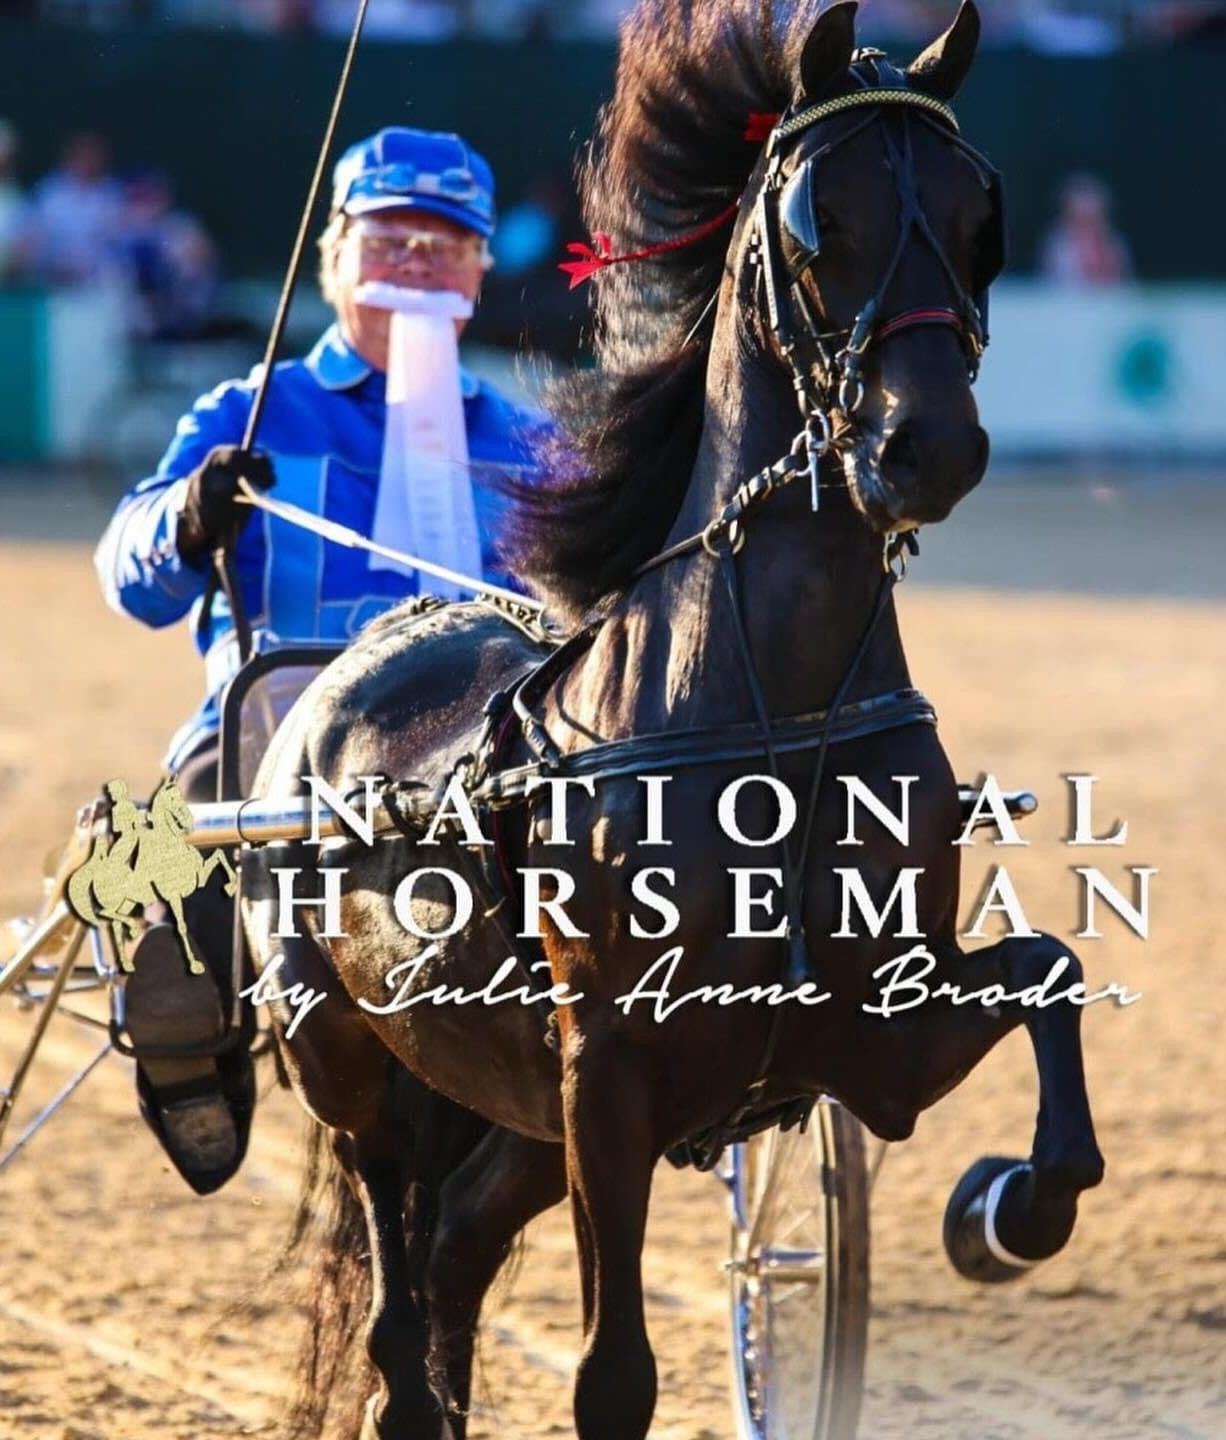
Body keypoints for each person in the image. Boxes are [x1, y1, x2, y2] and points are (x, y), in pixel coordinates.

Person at [94, 126, 549, 1194]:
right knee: (195, 806)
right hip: (272, 737)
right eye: (389, 238)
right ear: (331, 256)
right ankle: (192, 1030)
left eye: (446, 245)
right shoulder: (251, 412)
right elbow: (131, 581)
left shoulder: (532, 445)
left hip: (482, 751)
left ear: (481, 271)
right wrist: (185, 518)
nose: (417, 262)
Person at [1039, 173, 1134, 286]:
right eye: (1080, 219)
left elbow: (1126, 285)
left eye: (1092, 219)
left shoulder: (1116, 244)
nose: (1087, 226)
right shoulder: (1056, 246)